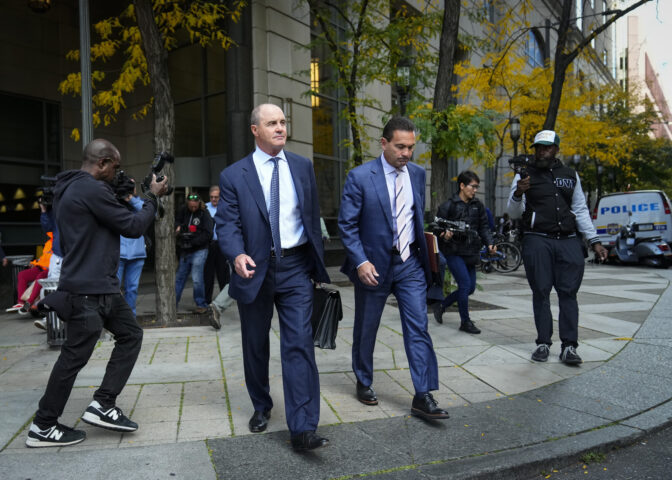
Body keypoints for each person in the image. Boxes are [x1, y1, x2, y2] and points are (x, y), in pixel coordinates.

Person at [26, 138, 168, 448]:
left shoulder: (73, 189)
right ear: (101, 163)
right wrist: (152, 198)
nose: (116, 172)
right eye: (114, 166)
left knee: (130, 335)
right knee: (72, 359)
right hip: (88, 291)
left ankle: (103, 404)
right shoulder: (90, 189)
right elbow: (132, 226)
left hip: (100, 286)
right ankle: (43, 425)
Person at [216, 103, 331, 451]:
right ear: (255, 130)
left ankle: (303, 427)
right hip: (255, 269)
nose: (280, 128)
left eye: (282, 122)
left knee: (298, 344)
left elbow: (310, 218)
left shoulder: (302, 166)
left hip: (295, 267)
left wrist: (316, 264)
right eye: (272, 123)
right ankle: (261, 406)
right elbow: (227, 224)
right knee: (256, 344)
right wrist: (236, 255)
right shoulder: (235, 175)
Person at [338, 116, 449, 421]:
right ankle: (363, 379)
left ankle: (423, 393)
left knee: (418, 327)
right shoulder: (360, 177)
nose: (406, 153)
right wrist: (360, 261)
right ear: (384, 143)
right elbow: (346, 225)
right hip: (373, 266)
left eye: (411, 147)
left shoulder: (416, 174)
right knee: (367, 327)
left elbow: (415, 217)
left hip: (410, 264)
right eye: (400, 146)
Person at [507, 130, 608, 365]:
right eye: (538, 147)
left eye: (547, 147)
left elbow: (581, 210)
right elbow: (514, 213)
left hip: (569, 241)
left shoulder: (570, 175)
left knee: (568, 293)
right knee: (541, 292)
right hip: (537, 239)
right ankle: (543, 343)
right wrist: (519, 192)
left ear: (556, 149)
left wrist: (595, 241)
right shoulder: (524, 174)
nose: (542, 151)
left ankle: (569, 347)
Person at [432, 171, 496, 334]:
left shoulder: (478, 205)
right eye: (472, 186)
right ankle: (465, 322)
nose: (475, 190)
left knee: (470, 288)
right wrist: (445, 236)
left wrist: (490, 244)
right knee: (465, 285)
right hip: (454, 252)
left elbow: (484, 227)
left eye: (477, 187)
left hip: (471, 252)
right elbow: (436, 229)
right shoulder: (448, 206)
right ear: (462, 185)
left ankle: (442, 305)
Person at [175, 193, 213, 314]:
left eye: (195, 206)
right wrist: (178, 227)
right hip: (185, 250)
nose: (193, 208)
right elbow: (177, 221)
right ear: (188, 203)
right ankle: (172, 303)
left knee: (197, 278)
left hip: (200, 249)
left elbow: (208, 233)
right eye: (191, 206)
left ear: (198, 203)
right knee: (180, 277)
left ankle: (201, 304)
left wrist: (193, 242)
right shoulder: (183, 210)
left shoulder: (204, 213)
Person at [117, 184, 147, 316]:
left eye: (132, 186)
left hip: (137, 253)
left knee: (132, 289)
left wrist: (131, 198)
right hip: (118, 254)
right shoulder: (114, 201)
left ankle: (131, 319)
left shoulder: (140, 202)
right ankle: (114, 319)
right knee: (114, 289)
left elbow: (151, 214)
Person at [204, 185, 230, 306]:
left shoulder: (225, 208)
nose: (214, 199)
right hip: (209, 244)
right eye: (212, 197)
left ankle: (222, 302)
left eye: (216, 197)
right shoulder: (205, 207)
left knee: (222, 274)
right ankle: (207, 300)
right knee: (208, 274)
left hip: (222, 244)